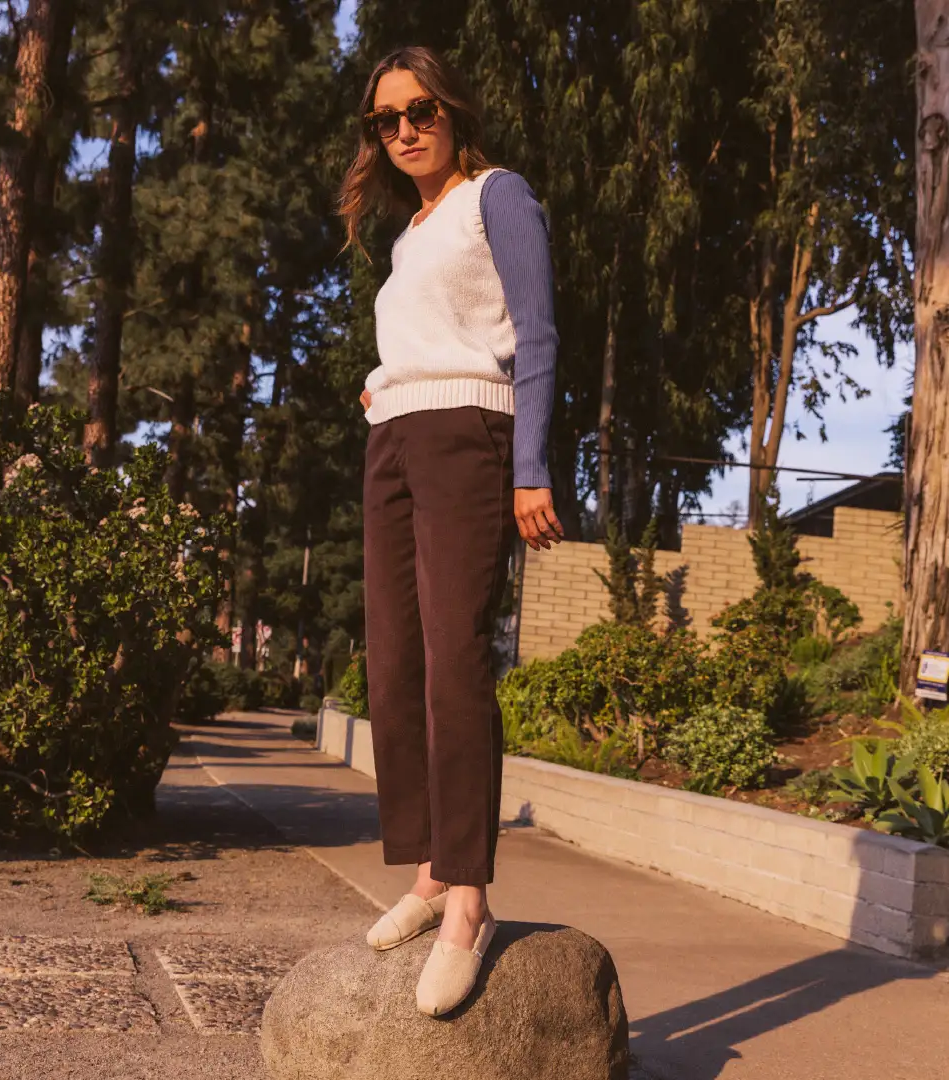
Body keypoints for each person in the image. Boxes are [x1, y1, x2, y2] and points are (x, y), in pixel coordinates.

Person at [336, 44, 562, 1017]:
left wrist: (531, 466)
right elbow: (427, 333)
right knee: (394, 662)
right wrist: (387, 384)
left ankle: (469, 897)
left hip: (472, 439)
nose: (404, 131)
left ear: (454, 110)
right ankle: (431, 868)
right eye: (385, 121)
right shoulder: (412, 231)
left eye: (419, 109)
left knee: (455, 661)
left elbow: (536, 331)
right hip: (394, 440)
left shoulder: (496, 197)